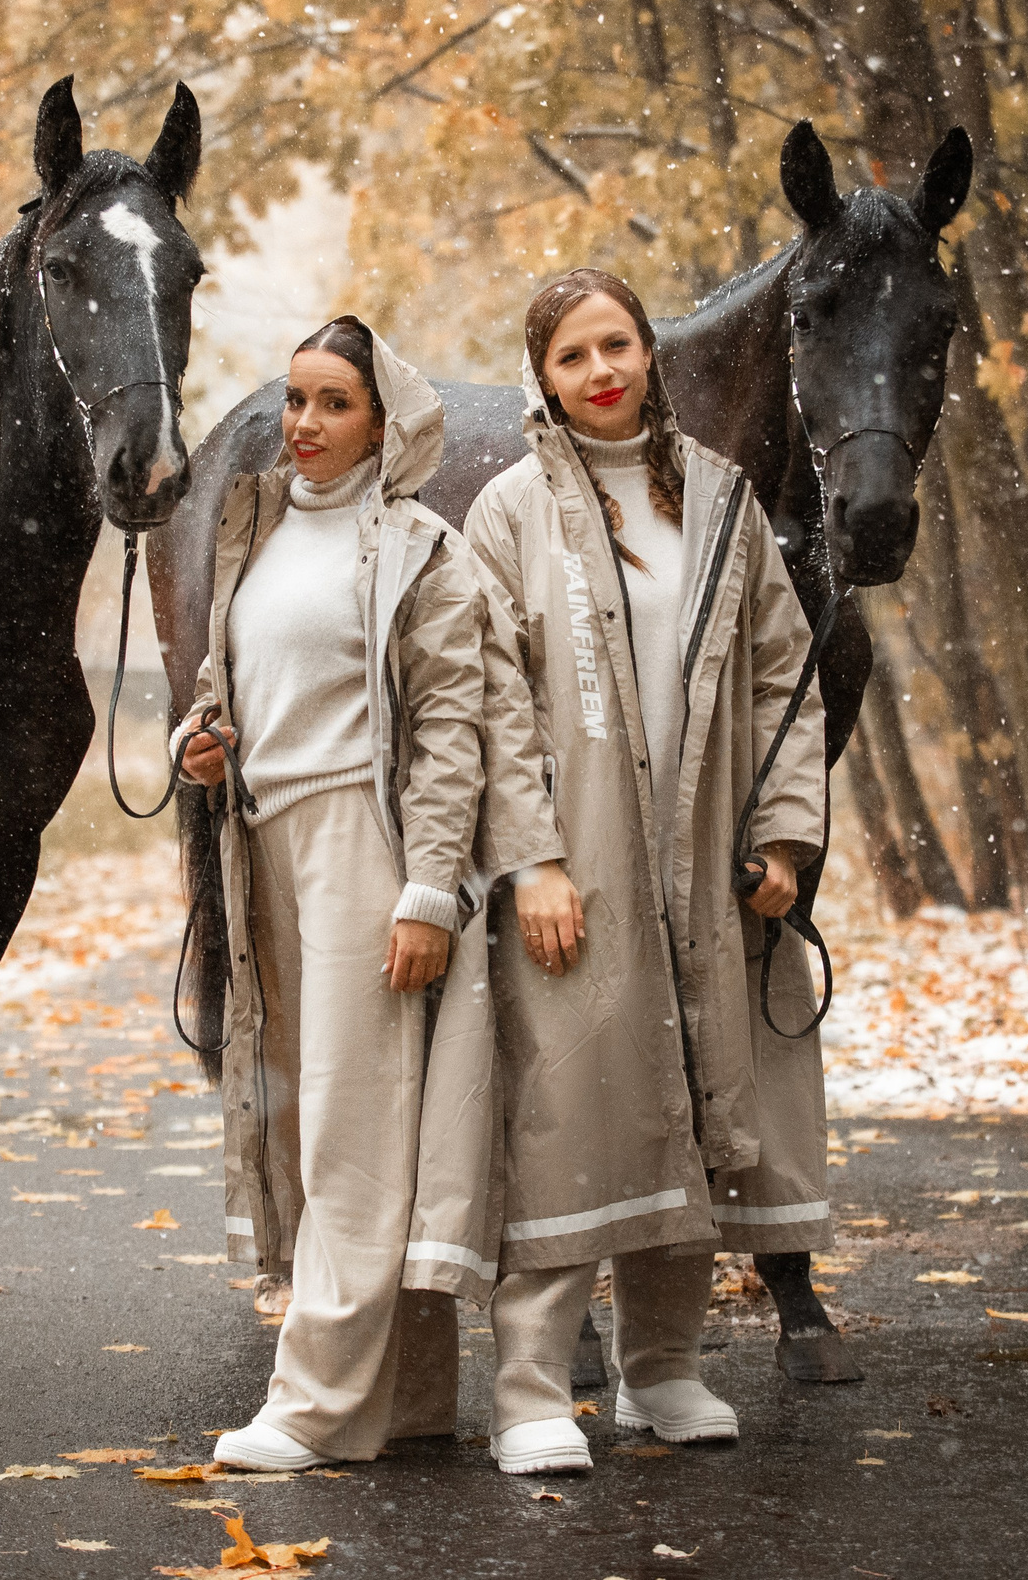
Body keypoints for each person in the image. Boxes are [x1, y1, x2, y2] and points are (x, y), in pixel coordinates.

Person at [463, 268, 830, 1474]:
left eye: (615, 343)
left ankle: (662, 1368)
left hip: (707, 848)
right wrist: (532, 859)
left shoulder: (724, 501)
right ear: (545, 377)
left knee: (692, 1102)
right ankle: (527, 1387)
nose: (600, 370)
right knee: (569, 1103)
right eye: (571, 356)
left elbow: (783, 677)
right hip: (580, 860)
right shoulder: (508, 514)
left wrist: (780, 833)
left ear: (649, 352)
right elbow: (491, 703)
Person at [176, 317, 559, 1469]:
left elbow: (452, 732)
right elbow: (229, 677)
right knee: (306, 1113)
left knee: (356, 1122)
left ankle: (309, 1400)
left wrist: (429, 889)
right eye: (295, 399)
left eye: (334, 402)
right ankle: (404, 1396)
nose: (304, 424)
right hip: (263, 842)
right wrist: (207, 735)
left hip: (366, 844)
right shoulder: (253, 532)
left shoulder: (419, 548)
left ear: (385, 424)